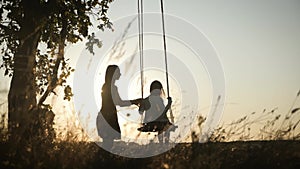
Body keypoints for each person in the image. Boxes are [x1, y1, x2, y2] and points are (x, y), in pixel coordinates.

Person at [96, 65, 141, 150]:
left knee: (107, 143)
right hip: (108, 117)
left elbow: (117, 102)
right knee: (108, 144)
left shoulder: (106, 86)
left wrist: (134, 102)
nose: (120, 74)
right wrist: (134, 101)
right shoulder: (112, 87)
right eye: (118, 72)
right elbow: (119, 102)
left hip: (105, 115)